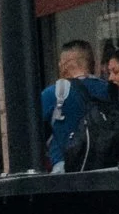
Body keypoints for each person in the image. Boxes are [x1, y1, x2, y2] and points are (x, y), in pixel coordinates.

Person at [40, 39, 110, 171]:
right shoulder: (116, 92)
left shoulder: (54, 93)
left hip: (67, 170)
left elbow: (31, 135)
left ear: (65, 65)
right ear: (92, 64)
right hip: (111, 168)